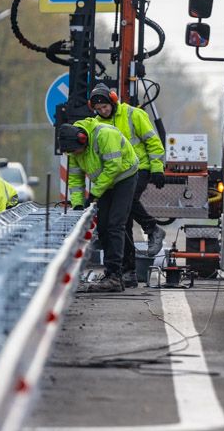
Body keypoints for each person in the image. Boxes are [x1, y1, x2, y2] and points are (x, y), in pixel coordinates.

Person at [87, 84, 167, 287]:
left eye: (105, 107)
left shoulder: (134, 114)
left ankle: (152, 228)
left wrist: (157, 168)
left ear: (113, 101)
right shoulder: (96, 124)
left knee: (128, 202)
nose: (102, 112)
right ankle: (128, 271)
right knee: (123, 221)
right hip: (118, 174)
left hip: (140, 168)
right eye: (98, 109)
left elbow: (153, 142)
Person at [65, 117, 139, 292]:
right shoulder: (73, 150)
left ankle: (117, 275)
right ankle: (115, 272)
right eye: (73, 152)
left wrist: (94, 194)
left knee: (115, 225)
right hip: (105, 183)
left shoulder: (105, 135)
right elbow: (75, 179)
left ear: (83, 139)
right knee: (104, 227)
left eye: (77, 150)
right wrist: (77, 204)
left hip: (124, 177)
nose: (76, 154)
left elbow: (114, 167)